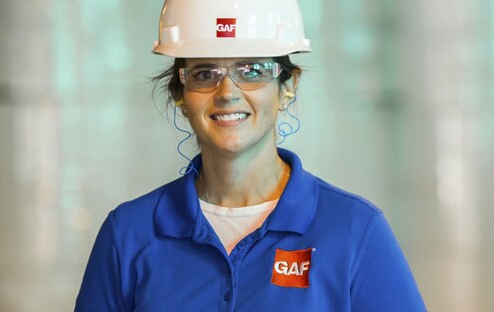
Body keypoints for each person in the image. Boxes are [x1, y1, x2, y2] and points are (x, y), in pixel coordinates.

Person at [75, 0, 426, 311]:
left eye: (252, 71)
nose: (227, 92)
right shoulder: (129, 234)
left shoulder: (353, 230)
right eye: (205, 73)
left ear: (287, 88)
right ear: (181, 95)